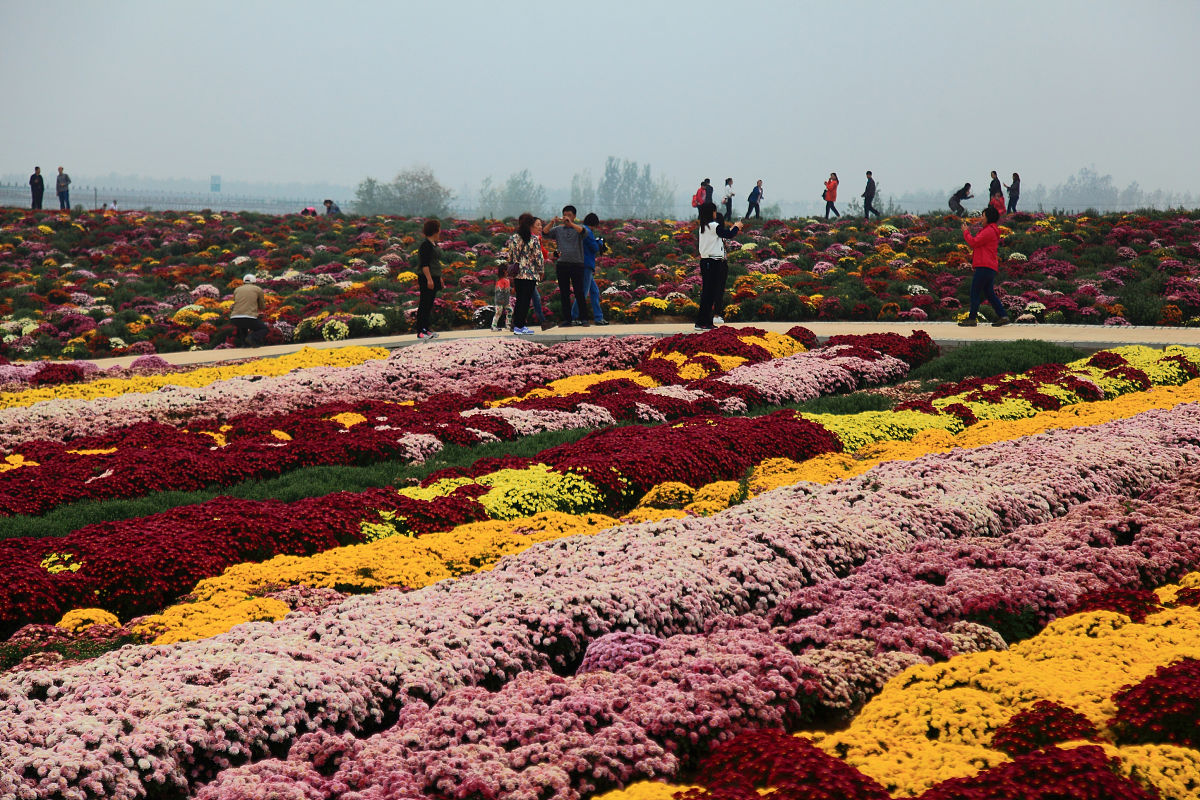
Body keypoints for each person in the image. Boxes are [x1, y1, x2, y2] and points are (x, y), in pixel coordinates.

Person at [958, 205, 1010, 328]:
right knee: (989, 293)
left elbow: (974, 242)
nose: (981, 218)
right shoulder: (991, 230)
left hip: (984, 266)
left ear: (988, 217)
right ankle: (1003, 316)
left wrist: (966, 231)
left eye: (983, 216)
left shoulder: (989, 231)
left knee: (975, 292)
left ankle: (972, 319)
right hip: (989, 266)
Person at [695, 201, 744, 330]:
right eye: (714, 211)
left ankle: (705, 321)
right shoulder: (712, 226)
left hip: (707, 262)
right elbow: (728, 234)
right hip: (712, 262)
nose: (716, 213)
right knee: (709, 293)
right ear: (711, 212)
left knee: (708, 292)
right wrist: (736, 226)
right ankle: (702, 322)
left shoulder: (704, 226)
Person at [498, 212, 545, 335]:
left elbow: (511, 256)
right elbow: (538, 257)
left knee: (520, 300)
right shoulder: (533, 239)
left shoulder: (514, 238)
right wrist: (541, 270)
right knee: (526, 300)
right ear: (530, 224)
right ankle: (520, 326)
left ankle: (517, 325)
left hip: (518, 273)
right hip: (530, 274)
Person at [544, 205, 589, 327]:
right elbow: (545, 233)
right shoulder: (558, 229)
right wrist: (552, 222)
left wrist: (571, 224)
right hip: (562, 264)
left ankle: (584, 318)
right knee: (564, 293)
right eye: (565, 215)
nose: (567, 218)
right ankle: (567, 320)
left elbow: (584, 233)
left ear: (574, 216)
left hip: (577, 264)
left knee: (579, 292)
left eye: (569, 215)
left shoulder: (580, 228)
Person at [571, 212, 608, 326]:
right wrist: (600, 242)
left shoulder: (581, 229)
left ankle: (598, 317)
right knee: (584, 292)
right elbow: (594, 248)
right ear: (594, 224)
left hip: (582, 264)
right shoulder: (588, 232)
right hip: (586, 265)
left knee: (594, 291)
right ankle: (574, 316)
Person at [415, 218, 443, 340]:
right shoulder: (425, 245)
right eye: (439, 230)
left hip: (434, 277)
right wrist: (429, 279)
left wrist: (439, 278)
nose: (440, 232)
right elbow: (424, 264)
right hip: (427, 278)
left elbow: (435, 262)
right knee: (424, 304)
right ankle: (420, 331)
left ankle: (426, 329)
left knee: (429, 305)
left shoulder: (434, 244)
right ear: (435, 231)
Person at [230, 273, 270, 346]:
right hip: (249, 317)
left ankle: (244, 344)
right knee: (264, 329)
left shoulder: (237, 289)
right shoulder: (257, 289)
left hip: (234, 318)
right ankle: (252, 338)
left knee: (243, 327)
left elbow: (237, 302)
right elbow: (262, 306)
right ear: (254, 282)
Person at [490, 263, 513, 332]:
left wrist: (511, 289)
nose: (509, 271)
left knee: (510, 310)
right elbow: (499, 291)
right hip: (500, 301)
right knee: (498, 313)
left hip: (505, 301)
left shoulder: (507, 280)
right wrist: (500, 299)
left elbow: (507, 288)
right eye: (507, 270)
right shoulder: (501, 281)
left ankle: (508, 325)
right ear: (504, 271)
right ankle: (493, 326)